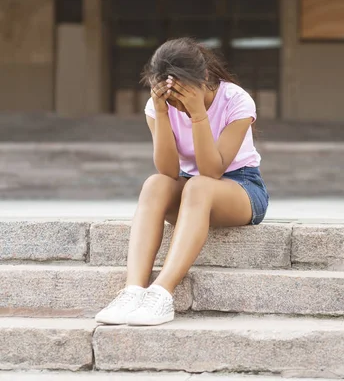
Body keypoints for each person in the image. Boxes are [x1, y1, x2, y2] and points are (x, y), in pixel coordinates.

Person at [95, 37, 269, 326]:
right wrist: (162, 112)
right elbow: (168, 170)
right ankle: (133, 291)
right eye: (169, 95)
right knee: (154, 184)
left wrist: (198, 114)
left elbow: (213, 172)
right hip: (190, 187)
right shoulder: (159, 105)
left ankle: (162, 294)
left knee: (199, 185)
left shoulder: (236, 100)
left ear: (203, 77)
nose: (177, 102)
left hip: (241, 188)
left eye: (181, 94)